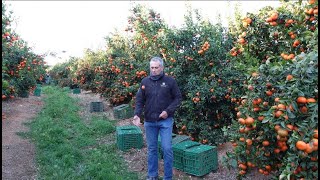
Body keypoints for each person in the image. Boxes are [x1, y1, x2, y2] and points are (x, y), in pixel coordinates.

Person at [133, 56, 182, 180]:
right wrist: (137, 115)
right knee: (152, 149)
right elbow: (140, 100)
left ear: (162, 67)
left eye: (156, 67)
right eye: (152, 68)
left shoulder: (170, 81)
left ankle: (167, 177)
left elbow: (178, 98)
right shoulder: (145, 82)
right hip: (149, 121)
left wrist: (168, 111)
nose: (153, 70)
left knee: (167, 148)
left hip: (165, 121)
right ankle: (152, 175)